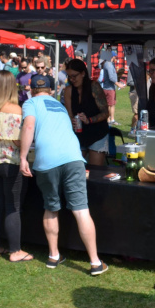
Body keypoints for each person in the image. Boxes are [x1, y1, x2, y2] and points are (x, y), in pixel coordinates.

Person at [19, 73, 108, 275]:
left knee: (51, 207)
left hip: (47, 161)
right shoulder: (59, 105)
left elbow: (29, 126)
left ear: (31, 90)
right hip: (73, 157)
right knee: (81, 210)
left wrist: (23, 157)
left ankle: (53, 255)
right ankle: (95, 262)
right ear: (51, 90)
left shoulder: (30, 103)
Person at [0, 71, 33, 263]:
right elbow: (19, 141)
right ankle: (15, 250)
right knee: (13, 207)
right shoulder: (15, 110)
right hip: (10, 163)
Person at [61, 59, 109, 166]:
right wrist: (72, 121)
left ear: (83, 73)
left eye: (74, 76)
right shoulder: (68, 90)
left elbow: (105, 112)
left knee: (95, 170)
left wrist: (89, 120)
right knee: (75, 168)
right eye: (69, 76)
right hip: (79, 134)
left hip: (97, 133)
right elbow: (69, 114)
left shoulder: (94, 86)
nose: (72, 79)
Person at [97, 51, 118, 125]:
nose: (116, 58)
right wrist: (118, 84)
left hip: (109, 87)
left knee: (110, 104)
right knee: (110, 105)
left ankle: (110, 119)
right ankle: (109, 119)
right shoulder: (108, 64)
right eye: (115, 56)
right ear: (112, 56)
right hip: (109, 88)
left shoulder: (109, 64)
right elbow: (111, 77)